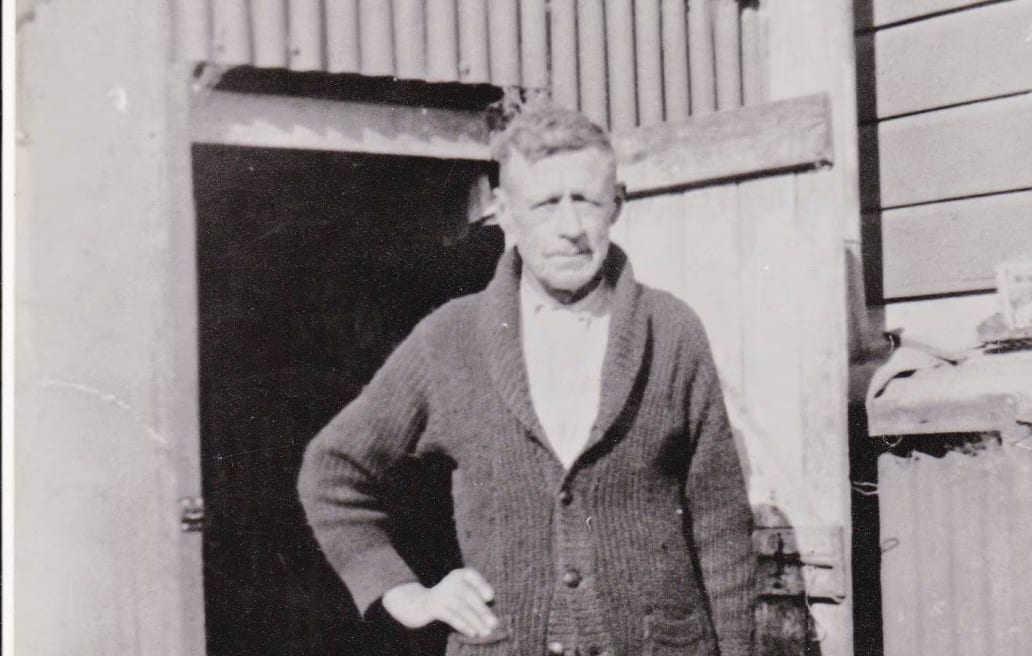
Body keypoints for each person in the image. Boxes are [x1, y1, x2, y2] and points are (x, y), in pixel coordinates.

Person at [298, 102, 755, 656]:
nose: (570, 229)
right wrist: (404, 593)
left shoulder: (672, 331)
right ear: (504, 214)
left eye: (585, 200)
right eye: (544, 205)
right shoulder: (450, 339)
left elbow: (721, 521)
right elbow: (332, 471)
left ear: (616, 204)